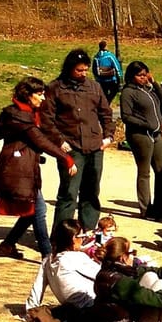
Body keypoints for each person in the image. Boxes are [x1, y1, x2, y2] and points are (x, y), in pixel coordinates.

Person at [0, 76, 78, 259]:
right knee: (38, 210)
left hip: (25, 169)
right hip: (18, 171)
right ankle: (48, 255)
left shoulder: (28, 114)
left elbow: (43, 134)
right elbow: (40, 140)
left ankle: (8, 244)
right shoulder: (21, 117)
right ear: (27, 95)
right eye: (39, 94)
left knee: (31, 211)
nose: (43, 98)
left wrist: (60, 143)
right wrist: (66, 159)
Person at [40, 48, 115, 235]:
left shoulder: (94, 87)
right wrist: (59, 141)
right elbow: (46, 119)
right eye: (79, 70)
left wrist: (108, 136)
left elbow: (106, 113)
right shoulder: (55, 88)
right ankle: (62, 235)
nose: (83, 74)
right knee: (69, 193)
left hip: (95, 146)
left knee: (91, 192)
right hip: (71, 147)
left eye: (85, 70)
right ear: (70, 68)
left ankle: (87, 232)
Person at [119, 60, 162, 220]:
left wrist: (154, 83)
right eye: (140, 75)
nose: (143, 78)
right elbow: (126, 116)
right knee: (144, 173)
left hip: (155, 135)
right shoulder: (128, 92)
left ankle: (161, 207)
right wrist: (146, 124)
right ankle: (146, 209)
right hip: (140, 136)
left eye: (145, 74)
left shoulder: (148, 89)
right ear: (132, 76)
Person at [25, 219, 99, 312]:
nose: (83, 240)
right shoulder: (76, 257)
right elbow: (102, 274)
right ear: (73, 238)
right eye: (81, 236)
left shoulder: (48, 260)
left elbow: (38, 288)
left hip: (71, 310)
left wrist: (31, 309)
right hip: (92, 306)